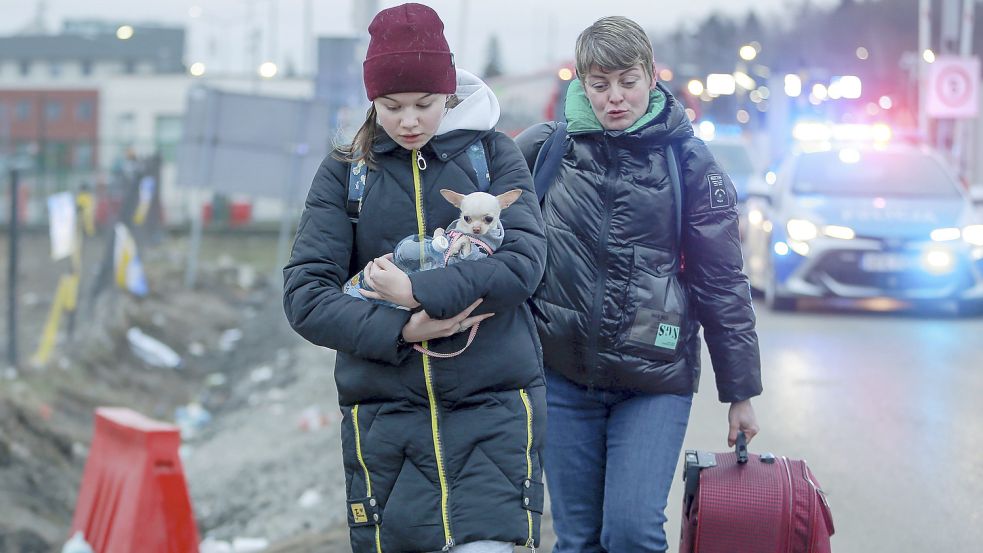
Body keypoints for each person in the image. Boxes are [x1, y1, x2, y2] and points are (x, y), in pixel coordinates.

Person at [282, 4, 547, 553]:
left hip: (492, 417)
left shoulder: (493, 156)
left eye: (424, 105)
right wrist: (403, 330)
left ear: (448, 93)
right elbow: (305, 297)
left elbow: (523, 263)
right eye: (390, 106)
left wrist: (416, 294)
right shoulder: (344, 173)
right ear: (371, 101)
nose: (408, 121)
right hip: (387, 431)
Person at [515, 16, 763, 553]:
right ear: (581, 83)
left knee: (630, 532)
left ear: (651, 75)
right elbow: (499, 250)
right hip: (561, 376)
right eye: (599, 85)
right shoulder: (545, 151)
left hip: (654, 379)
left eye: (627, 80)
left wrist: (739, 391)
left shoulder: (688, 161)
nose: (615, 98)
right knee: (577, 539)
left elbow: (721, 281)